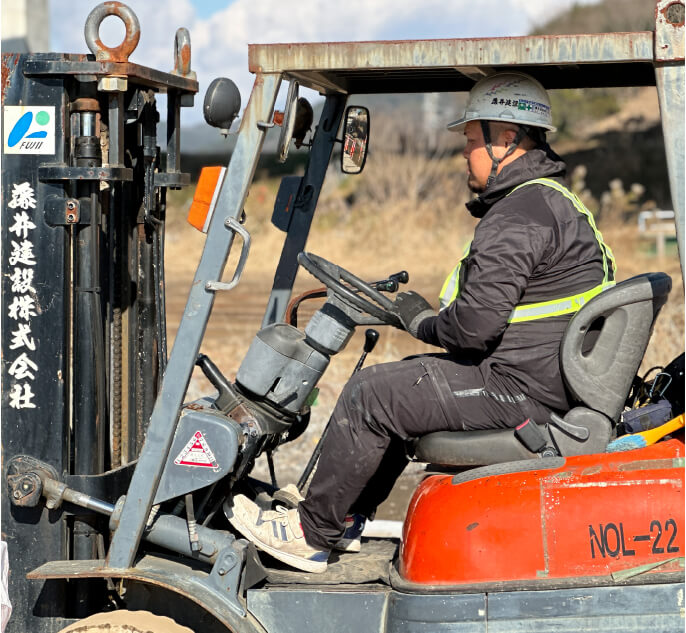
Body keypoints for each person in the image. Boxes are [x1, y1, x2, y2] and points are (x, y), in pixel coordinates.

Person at [229, 72, 616, 573]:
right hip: (541, 380)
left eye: (472, 141)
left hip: (524, 392)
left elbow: (474, 329)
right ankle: (343, 518)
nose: (465, 154)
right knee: (405, 382)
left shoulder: (518, 215)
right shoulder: (551, 202)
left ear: (507, 140)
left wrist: (420, 319)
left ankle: (309, 534)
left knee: (374, 393)